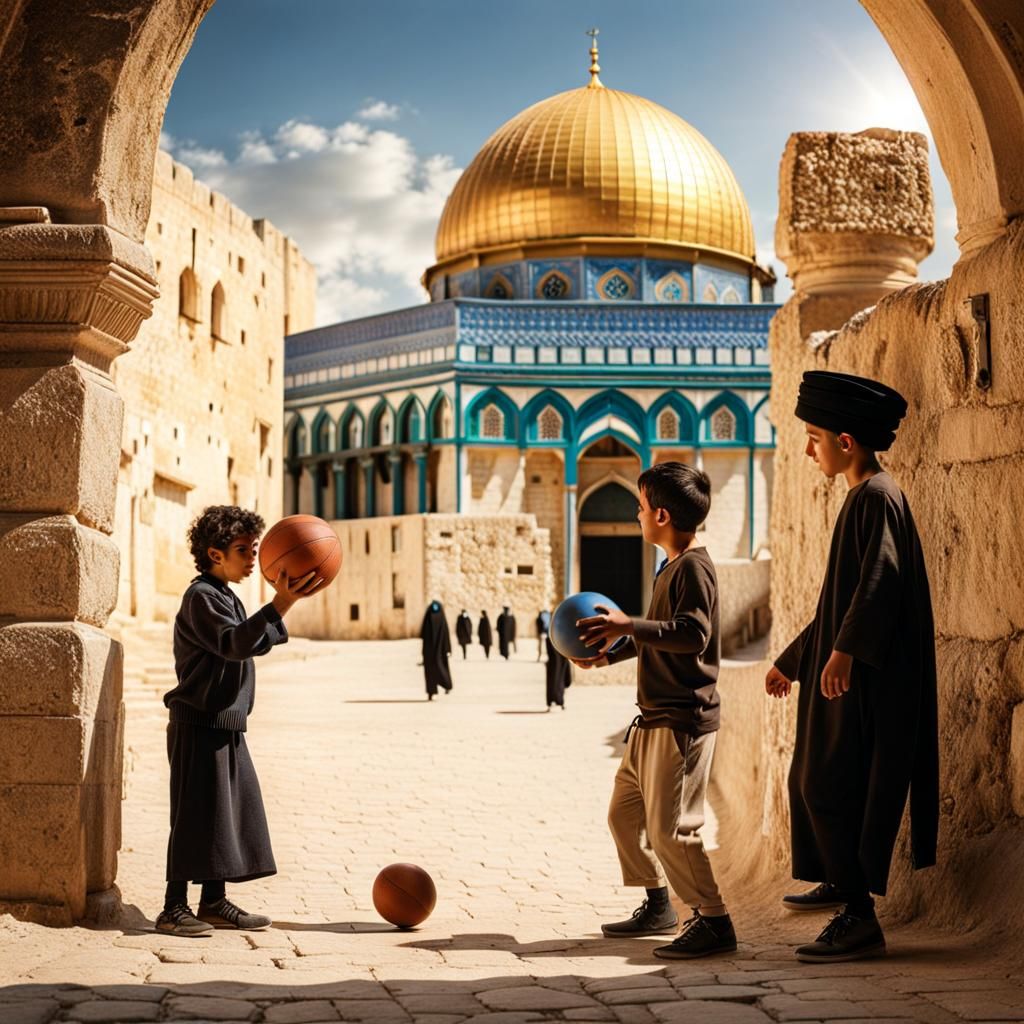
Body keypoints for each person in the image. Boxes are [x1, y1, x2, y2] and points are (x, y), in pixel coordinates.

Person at [766, 370, 938, 964]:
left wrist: (844, 652)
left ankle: (860, 917)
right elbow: (837, 601)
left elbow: (880, 582)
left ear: (845, 441)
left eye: (814, 437)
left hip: (867, 678)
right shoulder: (864, 497)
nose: (807, 449)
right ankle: (841, 882)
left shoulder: (879, 497)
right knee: (812, 778)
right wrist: (794, 660)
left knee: (833, 784)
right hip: (847, 667)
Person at [575, 461, 734, 960]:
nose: (635, 514)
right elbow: (660, 634)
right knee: (624, 817)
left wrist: (627, 624)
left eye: (640, 507)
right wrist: (612, 652)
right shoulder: (670, 564)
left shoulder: (693, 568)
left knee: (672, 830)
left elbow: (692, 634)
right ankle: (659, 903)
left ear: (661, 515)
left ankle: (714, 921)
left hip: (681, 721)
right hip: (650, 720)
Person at [157, 505, 324, 937]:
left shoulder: (227, 595)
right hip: (198, 722)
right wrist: (280, 604)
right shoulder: (201, 597)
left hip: (226, 723)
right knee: (193, 815)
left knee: (223, 816)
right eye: (243, 551)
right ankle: (172, 907)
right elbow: (233, 645)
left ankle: (212, 901)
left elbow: (253, 642)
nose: (254, 559)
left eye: (254, 549)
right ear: (215, 554)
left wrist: (277, 611)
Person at [421, 600, 453, 699]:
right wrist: (448, 649)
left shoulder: (429, 618)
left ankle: (437, 689)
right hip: (437, 651)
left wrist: (447, 650)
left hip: (434, 651)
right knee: (438, 669)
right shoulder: (441, 619)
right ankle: (436, 690)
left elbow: (423, 635)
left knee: (436, 670)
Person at [545, 634, 571, 710]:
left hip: (561, 639)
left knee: (559, 669)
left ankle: (558, 700)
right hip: (558, 639)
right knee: (556, 669)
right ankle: (555, 700)